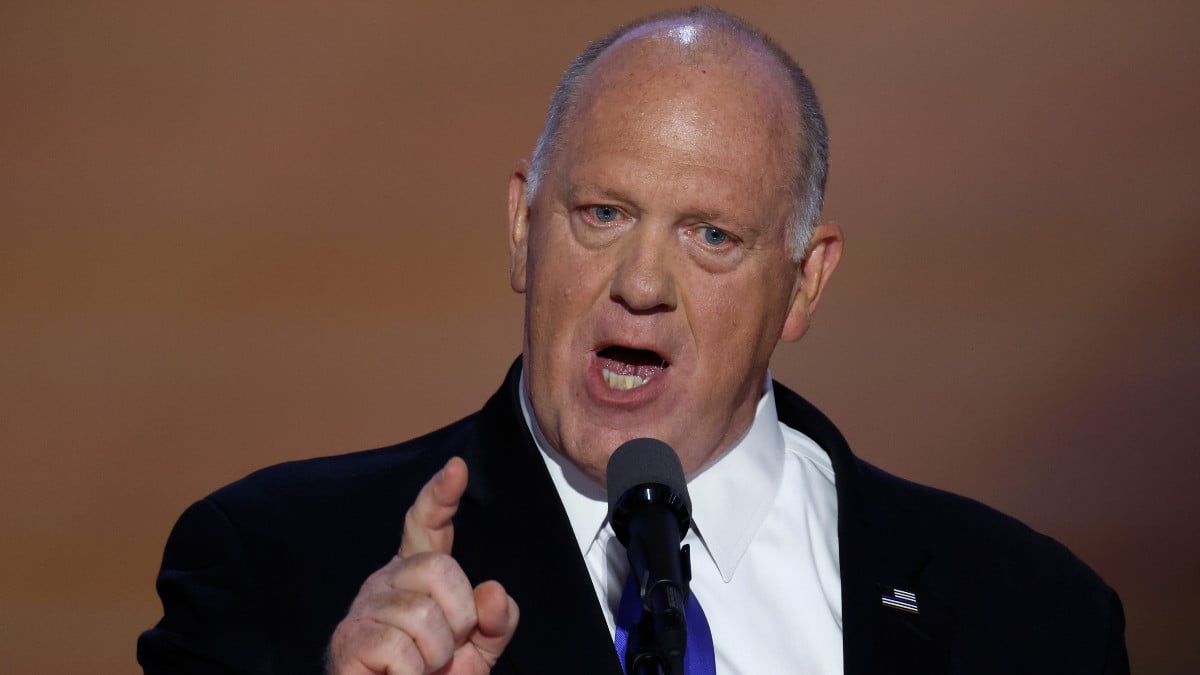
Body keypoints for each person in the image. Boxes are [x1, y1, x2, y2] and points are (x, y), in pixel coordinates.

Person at [139, 8, 1129, 675]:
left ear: (806, 280)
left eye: (712, 236)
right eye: (604, 213)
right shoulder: (279, 567)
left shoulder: (1032, 616)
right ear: (525, 228)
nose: (643, 284)